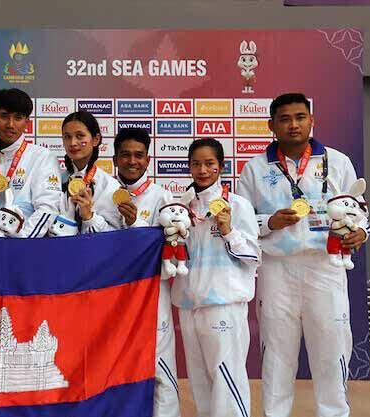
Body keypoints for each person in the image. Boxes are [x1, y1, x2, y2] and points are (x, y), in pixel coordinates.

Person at [236, 93, 370, 417]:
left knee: (332, 348)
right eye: (285, 119)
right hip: (276, 270)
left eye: (300, 117)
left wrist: (362, 232)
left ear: (312, 120)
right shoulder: (254, 169)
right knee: (277, 352)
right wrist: (269, 222)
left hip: (325, 265)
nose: (293, 125)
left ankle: (334, 412)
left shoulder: (338, 162)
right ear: (272, 125)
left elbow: (360, 211)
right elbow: (240, 225)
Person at [173, 138, 260, 417]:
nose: (202, 170)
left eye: (209, 163)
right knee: (200, 381)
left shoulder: (238, 205)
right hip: (188, 305)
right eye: (196, 164)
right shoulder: (181, 207)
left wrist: (228, 231)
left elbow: (254, 257)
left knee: (227, 379)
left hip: (224, 305)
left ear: (221, 166)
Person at [112, 128, 179, 417]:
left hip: (152, 292)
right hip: (112, 292)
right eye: (125, 155)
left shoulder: (162, 196)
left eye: (138, 155)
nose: (132, 161)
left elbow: (171, 248)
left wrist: (135, 227)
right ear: (115, 159)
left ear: (148, 160)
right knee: (115, 364)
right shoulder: (103, 192)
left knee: (160, 363)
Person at [0, 88, 61, 237]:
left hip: (25, 245)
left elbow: (48, 209)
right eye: (4, 116)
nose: (10, 124)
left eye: (18, 118)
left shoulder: (42, 157)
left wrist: (21, 241)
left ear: (27, 122)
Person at [60, 111, 121, 233]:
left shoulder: (110, 186)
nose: (72, 143)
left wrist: (89, 217)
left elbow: (115, 235)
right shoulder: (56, 180)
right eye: (67, 137)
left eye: (80, 136)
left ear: (95, 139)